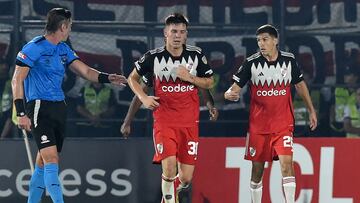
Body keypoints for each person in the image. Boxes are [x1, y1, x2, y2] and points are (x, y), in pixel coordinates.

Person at [11, 8, 127, 203]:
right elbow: (17, 80)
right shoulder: (33, 47)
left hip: (59, 108)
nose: (70, 30)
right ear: (63, 26)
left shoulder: (63, 49)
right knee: (52, 160)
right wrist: (21, 113)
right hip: (39, 106)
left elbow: (86, 72)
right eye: (70, 27)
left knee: (42, 161)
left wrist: (108, 78)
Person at [224, 24, 317, 203]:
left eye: (265, 39)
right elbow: (233, 88)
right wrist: (229, 94)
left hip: (283, 125)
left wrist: (311, 109)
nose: (261, 43)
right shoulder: (251, 62)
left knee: (286, 164)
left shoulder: (289, 61)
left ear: (276, 40)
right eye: (259, 40)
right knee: (257, 171)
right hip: (259, 127)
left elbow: (299, 85)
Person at [127, 13, 214, 203]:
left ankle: (171, 195)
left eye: (182, 32)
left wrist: (190, 77)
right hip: (164, 122)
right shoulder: (153, 57)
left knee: (186, 178)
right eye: (174, 31)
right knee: (168, 168)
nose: (178, 35)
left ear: (186, 35)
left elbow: (209, 82)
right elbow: (131, 78)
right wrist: (144, 97)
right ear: (165, 32)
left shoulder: (196, 55)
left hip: (189, 123)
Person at [120, 75, 218, 138]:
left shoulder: (193, 67)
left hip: (189, 124)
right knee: (169, 166)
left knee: (185, 168)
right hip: (164, 124)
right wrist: (127, 122)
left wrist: (211, 108)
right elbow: (139, 96)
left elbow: (205, 94)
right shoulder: (155, 65)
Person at [329, 65, 359, 136]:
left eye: (349, 74)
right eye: (345, 74)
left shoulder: (358, 92)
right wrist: (332, 120)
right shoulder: (338, 90)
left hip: (353, 127)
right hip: (337, 125)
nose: (345, 76)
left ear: (356, 77)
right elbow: (332, 105)